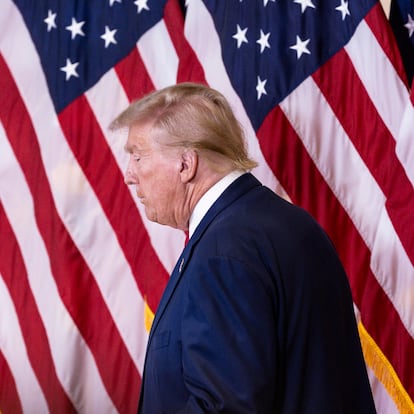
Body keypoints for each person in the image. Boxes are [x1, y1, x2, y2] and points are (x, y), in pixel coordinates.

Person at [110, 83, 377, 413]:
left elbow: (226, 407)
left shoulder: (223, 251)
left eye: (137, 155)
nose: (129, 175)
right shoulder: (289, 224)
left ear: (185, 164)